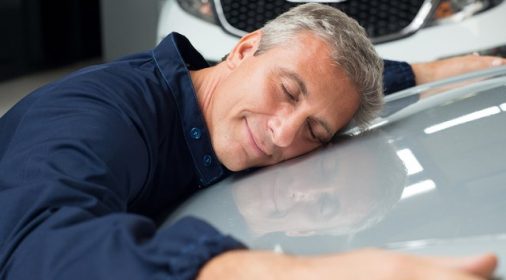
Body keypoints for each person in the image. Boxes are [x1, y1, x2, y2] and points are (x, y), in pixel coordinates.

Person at [0, 3, 502, 280]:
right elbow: (36, 248)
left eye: (313, 132)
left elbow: (321, 85)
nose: (283, 133)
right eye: (286, 92)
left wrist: (424, 71)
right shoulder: (100, 112)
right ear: (243, 49)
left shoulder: (240, 96)